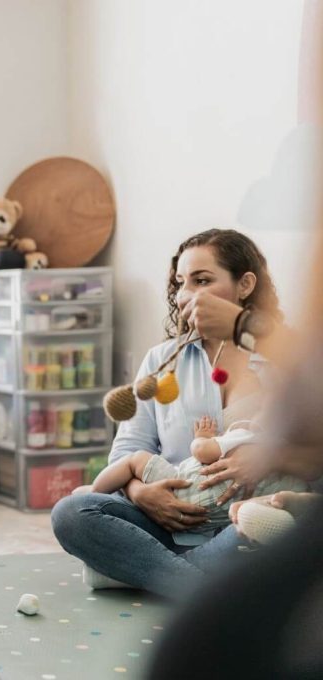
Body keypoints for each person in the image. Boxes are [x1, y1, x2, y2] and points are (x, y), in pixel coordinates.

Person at [51, 229, 305, 598]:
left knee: (278, 526)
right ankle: (201, 588)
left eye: (202, 281)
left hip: (245, 522)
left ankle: (149, 573)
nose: (187, 294)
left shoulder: (286, 357)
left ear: (245, 284)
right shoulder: (161, 361)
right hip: (166, 522)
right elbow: (127, 452)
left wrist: (268, 458)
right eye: (181, 283)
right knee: (72, 513)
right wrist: (141, 494)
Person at [91, 415, 307, 543]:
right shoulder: (295, 480)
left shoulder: (246, 437)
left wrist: (203, 437)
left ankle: (93, 493)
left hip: (181, 485)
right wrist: (137, 493)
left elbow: (202, 451)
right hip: (207, 521)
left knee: (133, 460)